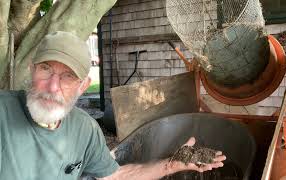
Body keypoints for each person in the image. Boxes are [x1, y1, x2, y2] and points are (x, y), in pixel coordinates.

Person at [0, 31, 226, 180]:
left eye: (68, 76)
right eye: (45, 69)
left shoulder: (85, 129)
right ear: (31, 70)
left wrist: (169, 166)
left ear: (83, 86)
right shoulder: (3, 112)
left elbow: (115, 176)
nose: (52, 87)